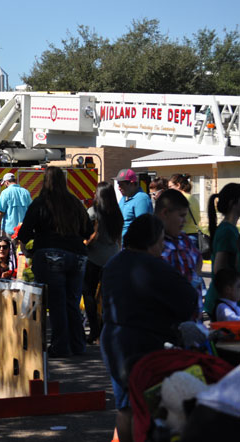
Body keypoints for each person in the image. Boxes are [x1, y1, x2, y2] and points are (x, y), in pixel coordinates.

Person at [100, 214, 196, 442]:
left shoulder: (114, 262)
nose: (163, 246)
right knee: (145, 406)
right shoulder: (153, 265)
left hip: (113, 341)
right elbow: (188, 299)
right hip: (141, 344)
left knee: (125, 406)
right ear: (151, 241)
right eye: (161, 240)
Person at [17, 166, 93, 358]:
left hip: (50, 255)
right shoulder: (75, 203)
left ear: (45, 181)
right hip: (77, 255)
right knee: (72, 301)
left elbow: (24, 233)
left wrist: (35, 240)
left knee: (57, 302)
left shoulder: (40, 203)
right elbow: (87, 230)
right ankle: (78, 345)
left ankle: (60, 345)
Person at [83, 182, 123, 344]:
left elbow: (85, 233)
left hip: (94, 258)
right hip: (112, 257)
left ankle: (94, 331)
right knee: (107, 297)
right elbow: (118, 239)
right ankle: (107, 330)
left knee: (89, 294)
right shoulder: (117, 214)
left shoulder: (93, 212)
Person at [155, 189, 203, 318]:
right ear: (165, 213)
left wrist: (194, 280)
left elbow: (198, 259)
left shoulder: (184, 239)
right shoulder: (153, 244)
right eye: (181, 216)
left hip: (192, 323)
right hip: (170, 325)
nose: (185, 221)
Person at [205, 183, 240, 318]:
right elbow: (219, 270)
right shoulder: (227, 231)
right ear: (233, 203)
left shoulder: (231, 229)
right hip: (223, 305)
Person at [116, 169, 153, 239]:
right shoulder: (123, 199)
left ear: (132, 184)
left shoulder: (142, 199)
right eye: (118, 184)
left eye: (121, 185)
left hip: (133, 247)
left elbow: (143, 228)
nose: (119, 188)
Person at [168, 173, 201, 248]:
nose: (169, 190)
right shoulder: (193, 198)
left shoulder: (180, 198)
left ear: (178, 185)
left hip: (184, 236)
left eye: (170, 187)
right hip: (194, 234)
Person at [0, 172, 32, 237]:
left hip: (9, 230)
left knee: (10, 247)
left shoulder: (5, 193)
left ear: (6, 182)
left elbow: (1, 212)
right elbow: (31, 210)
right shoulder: (26, 192)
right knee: (23, 247)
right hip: (24, 229)